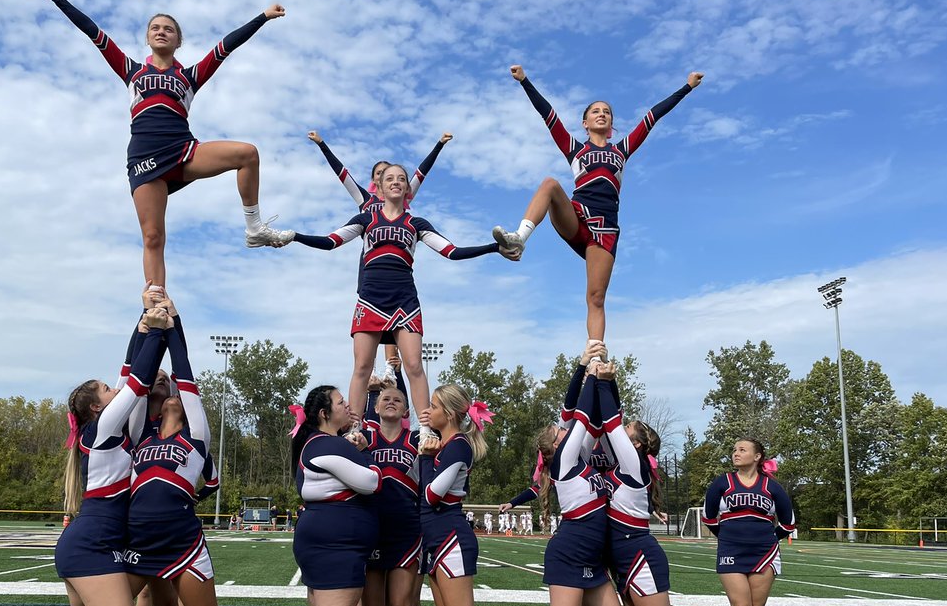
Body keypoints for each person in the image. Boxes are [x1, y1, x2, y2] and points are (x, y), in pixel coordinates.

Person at [29, 0, 291, 287]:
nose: (161, 31)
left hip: (184, 150)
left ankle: (254, 228)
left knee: (247, 154)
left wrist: (263, 17)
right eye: (156, 28)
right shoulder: (132, 70)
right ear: (147, 38)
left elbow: (227, 45)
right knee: (154, 236)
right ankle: (156, 302)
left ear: (178, 41)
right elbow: (91, 30)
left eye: (169, 29)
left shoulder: (190, 76)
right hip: (144, 156)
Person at [271, 163, 517, 434]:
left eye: (402, 179)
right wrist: (294, 237)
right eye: (390, 179)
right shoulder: (366, 220)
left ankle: (425, 432)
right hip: (371, 298)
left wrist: (495, 248)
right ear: (380, 186)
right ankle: (355, 430)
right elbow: (331, 241)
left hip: (405, 300)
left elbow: (451, 251)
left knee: (413, 366)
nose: (396, 182)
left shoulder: (416, 224)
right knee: (362, 367)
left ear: (407, 188)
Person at [494, 66, 703, 350]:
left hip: (604, 231)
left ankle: (595, 353)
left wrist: (687, 87)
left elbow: (652, 117)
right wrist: (524, 81)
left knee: (596, 298)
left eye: (607, 111)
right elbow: (548, 115)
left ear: (612, 123)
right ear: (585, 123)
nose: (602, 113)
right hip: (576, 217)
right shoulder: (575, 150)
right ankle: (519, 238)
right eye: (595, 111)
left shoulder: (621, 150)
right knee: (550, 184)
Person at [46, 298, 169, 606]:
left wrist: (141, 328)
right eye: (105, 388)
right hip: (91, 544)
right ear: (99, 405)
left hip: (97, 542)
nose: (112, 387)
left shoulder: (108, 427)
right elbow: (134, 382)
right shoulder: (103, 428)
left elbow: (127, 376)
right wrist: (157, 330)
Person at [123, 296, 250, 606]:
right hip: (135, 542)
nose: (172, 392)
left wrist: (173, 323)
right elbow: (131, 377)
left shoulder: (198, 436)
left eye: (175, 390)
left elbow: (185, 370)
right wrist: (146, 325)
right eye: (164, 391)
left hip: (183, 542)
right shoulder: (138, 434)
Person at [513, 351, 650, 606]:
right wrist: (592, 377)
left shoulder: (585, 463)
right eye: (562, 433)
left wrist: (599, 377)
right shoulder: (564, 464)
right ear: (555, 448)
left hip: (594, 558)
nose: (568, 430)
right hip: (570, 554)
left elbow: (593, 419)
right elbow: (583, 418)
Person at [593, 365, 695, 606]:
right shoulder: (624, 464)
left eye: (628, 431)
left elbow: (610, 419)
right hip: (623, 556)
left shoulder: (633, 463)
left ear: (635, 444)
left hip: (637, 554)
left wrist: (605, 381)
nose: (621, 432)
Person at [290, 385, 383, 606]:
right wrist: (366, 453)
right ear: (325, 414)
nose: (348, 405)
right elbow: (370, 482)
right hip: (336, 540)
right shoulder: (327, 443)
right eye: (341, 402)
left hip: (323, 535)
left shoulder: (317, 443)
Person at [416, 384, 494, 606]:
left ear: (449, 413)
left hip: (450, 539)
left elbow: (432, 494)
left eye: (432, 406)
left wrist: (424, 456)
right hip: (435, 540)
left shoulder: (458, 445)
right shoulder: (445, 445)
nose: (427, 411)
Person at [345, 379, 422, 606]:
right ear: (374, 407)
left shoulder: (418, 440)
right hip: (372, 532)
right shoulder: (365, 438)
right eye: (385, 399)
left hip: (407, 532)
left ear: (406, 411)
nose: (391, 402)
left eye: (397, 400)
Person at [704, 439, 796, 606]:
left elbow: (788, 523)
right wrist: (727, 538)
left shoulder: (771, 487)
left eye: (742, 450)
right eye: (734, 449)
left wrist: (769, 540)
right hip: (731, 550)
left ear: (757, 457)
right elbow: (709, 517)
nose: (736, 453)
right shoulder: (722, 483)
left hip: (764, 552)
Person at [307, 131, 452, 211]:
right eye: (379, 173)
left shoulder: (403, 195)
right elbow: (341, 172)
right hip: (370, 262)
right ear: (374, 180)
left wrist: (439, 144)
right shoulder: (365, 199)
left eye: (387, 173)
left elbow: (421, 173)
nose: (383, 175)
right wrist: (321, 144)